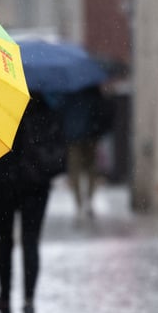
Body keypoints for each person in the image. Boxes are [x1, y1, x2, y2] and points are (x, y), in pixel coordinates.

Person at [0, 94, 63, 313]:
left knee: (5, 241)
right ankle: (29, 302)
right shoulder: (46, 105)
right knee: (30, 242)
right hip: (36, 183)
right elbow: (57, 147)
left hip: (3, 182)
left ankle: (5, 297)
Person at [53, 85, 109, 219]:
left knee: (75, 169)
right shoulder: (92, 89)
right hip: (89, 134)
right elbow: (100, 110)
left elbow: (60, 110)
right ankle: (88, 199)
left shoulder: (68, 90)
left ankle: (79, 202)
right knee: (90, 168)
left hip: (73, 135)